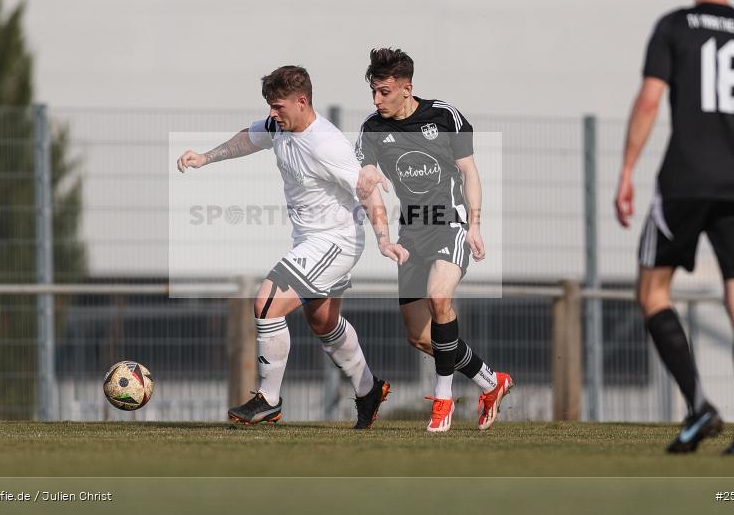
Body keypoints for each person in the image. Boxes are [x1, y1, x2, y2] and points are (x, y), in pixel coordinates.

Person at [614, 0, 734, 455]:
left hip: (685, 181)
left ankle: (699, 403)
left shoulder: (674, 26)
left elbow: (649, 99)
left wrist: (626, 171)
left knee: (652, 293)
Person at [177, 65, 407, 429]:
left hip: (336, 241)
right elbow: (248, 138)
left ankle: (268, 400)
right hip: (311, 241)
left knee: (267, 303)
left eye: (278, 106)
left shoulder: (327, 144)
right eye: (269, 105)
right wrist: (206, 157)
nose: (272, 113)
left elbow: (367, 189)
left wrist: (384, 239)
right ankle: (369, 389)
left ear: (302, 102)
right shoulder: (279, 127)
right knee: (323, 322)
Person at [355, 47, 513, 432]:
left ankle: (442, 402)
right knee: (420, 336)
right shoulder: (373, 129)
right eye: (373, 92)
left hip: (450, 222)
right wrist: (382, 237)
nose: (377, 100)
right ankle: (491, 382)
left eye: (384, 92)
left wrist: (475, 224)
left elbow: (470, 173)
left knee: (439, 298)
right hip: (411, 233)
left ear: (406, 88)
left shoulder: (445, 117)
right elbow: (368, 186)